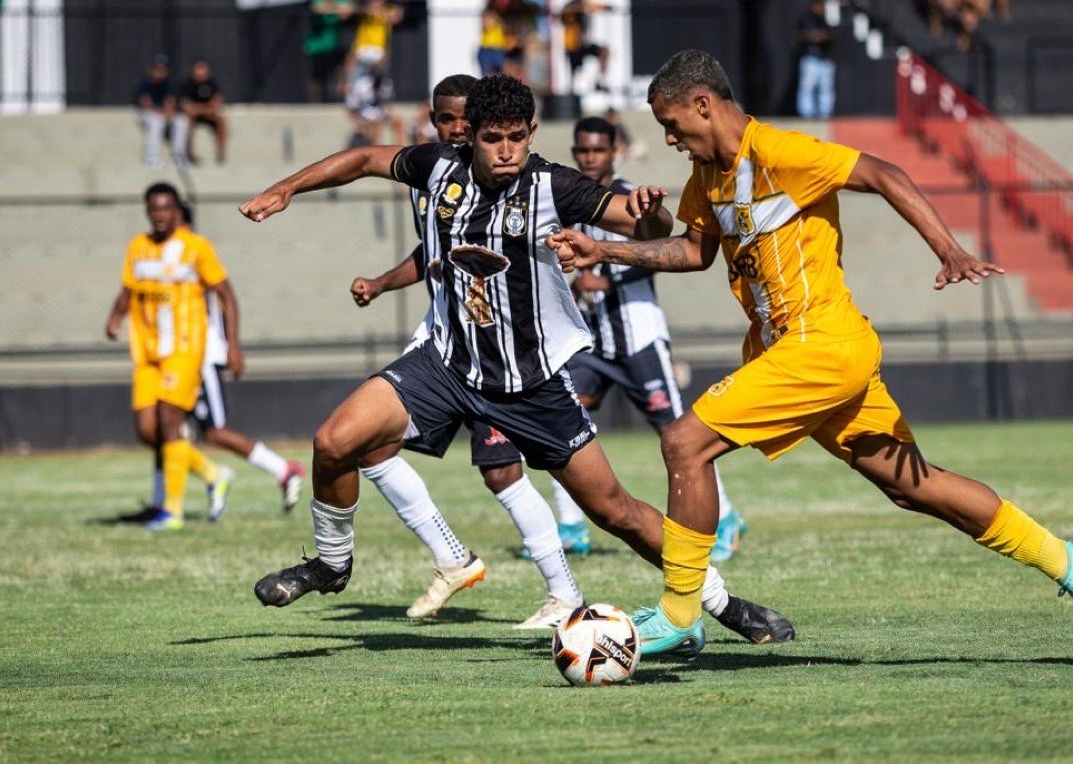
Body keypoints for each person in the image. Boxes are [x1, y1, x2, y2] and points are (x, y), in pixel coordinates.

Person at [547, 50, 1073, 657]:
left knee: (685, 442)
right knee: (913, 486)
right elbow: (691, 252)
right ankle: (1071, 559)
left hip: (820, 343)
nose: (668, 137)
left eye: (672, 122)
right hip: (808, 352)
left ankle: (682, 612)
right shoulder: (707, 177)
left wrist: (948, 249)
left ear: (703, 105)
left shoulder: (784, 153)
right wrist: (604, 251)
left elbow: (887, 174)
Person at [238, 74, 794, 649]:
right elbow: (360, 159)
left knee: (617, 512)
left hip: (530, 383)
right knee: (333, 441)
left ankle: (724, 603)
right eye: (492, 138)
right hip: (446, 366)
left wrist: (651, 214)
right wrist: (287, 188)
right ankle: (331, 564)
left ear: (531, 134)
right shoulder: (436, 168)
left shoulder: (555, 186)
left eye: (517, 137)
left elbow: (640, 224)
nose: (507, 151)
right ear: (469, 137)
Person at [348, 74, 585, 628]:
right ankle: (452, 556)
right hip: (445, 340)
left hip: (505, 346)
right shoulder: (432, 171)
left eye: (463, 121)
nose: (456, 130)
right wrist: (384, 282)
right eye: (446, 120)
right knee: (368, 445)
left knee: (504, 472)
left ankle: (565, 592)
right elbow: (435, 250)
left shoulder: (512, 177)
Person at [553, 116, 747, 561]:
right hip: (588, 343)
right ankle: (569, 527)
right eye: (582, 150)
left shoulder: (629, 199)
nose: (590, 158)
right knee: (562, 426)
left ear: (614, 152)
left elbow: (662, 250)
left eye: (598, 150)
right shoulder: (564, 201)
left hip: (638, 338)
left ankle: (727, 517)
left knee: (680, 432)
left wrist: (604, 275)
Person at [149, 204, 306, 519]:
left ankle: (282, 469)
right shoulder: (165, 260)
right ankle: (162, 500)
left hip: (200, 356)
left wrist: (231, 345)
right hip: (172, 356)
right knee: (162, 428)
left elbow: (225, 298)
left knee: (213, 431)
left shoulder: (196, 256)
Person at [104, 183, 236, 530]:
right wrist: (116, 316)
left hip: (184, 348)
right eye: (154, 209)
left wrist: (234, 345)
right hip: (146, 351)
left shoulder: (196, 247)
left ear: (177, 210)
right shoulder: (139, 246)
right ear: (148, 211)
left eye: (166, 208)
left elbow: (226, 294)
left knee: (169, 423)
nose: (160, 215)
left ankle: (172, 512)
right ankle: (212, 473)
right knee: (148, 431)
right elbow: (129, 288)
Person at [133, 54, 188, 168]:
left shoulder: (170, 83)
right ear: (152, 68)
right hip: (145, 114)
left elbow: (171, 101)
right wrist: (162, 111)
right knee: (156, 120)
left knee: (181, 120)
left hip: (162, 113)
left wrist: (168, 112)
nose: (160, 71)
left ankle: (178, 157)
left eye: (163, 68)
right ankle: (151, 158)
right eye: (158, 68)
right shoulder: (145, 82)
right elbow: (145, 103)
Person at [304, 0, 355, 103]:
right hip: (318, 46)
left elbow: (350, 9)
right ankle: (313, 101)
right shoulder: (318, 0)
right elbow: (318, 9)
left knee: (347, 60)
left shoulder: (341, 0)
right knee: (318, 76)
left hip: (333, 45)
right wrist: (336, 8)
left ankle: (342, 88)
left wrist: (337, 9)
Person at [560, 0, 611, 94]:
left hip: (585, 43)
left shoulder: (587, 4)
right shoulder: (571, 5)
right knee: (573, 68)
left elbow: (597, 6)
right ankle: (571, 91)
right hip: (573, 45)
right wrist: (578, 8)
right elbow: (563, 15)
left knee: (604, 51)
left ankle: (599, 81)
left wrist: (607, 7)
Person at [177, 58, 229, 165]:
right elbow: (187, 107)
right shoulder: (187, 84)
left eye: (203, 69)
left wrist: (199, 109)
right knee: (186, 120)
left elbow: (216, 104)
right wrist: (205, 108)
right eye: (198, 69)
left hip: (208, 115)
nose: (201, 72)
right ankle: (189, 154)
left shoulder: (212, 84)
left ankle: (221, 154)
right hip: (193, 117)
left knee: (221, 119)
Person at [346, 0, 403, 83]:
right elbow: (352, 9)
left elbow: (398, 15)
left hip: (378, 48)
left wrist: (383, 13)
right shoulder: (365, 12)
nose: (376, 4)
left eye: (379, 1)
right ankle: (346, 84)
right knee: (351, 60)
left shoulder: (387, 13)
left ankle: (376, 83)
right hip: (362, 46)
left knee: (378, 68)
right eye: (374, 1)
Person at [345, 59, 404, 147]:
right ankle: (377, 151)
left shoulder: (386, 83)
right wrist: (359, 121)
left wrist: (387, 114)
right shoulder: (361, 84)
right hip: (365, 115)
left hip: (380, 114)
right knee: (375, 124)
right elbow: (351, 107)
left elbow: (386, 103)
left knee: (399, 122)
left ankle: (399, 150)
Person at [796, 0, 836, 119]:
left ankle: (825, 113)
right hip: (810, 59)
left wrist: (820, 36)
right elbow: (799, 36)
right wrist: (814, 36)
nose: (820, 9)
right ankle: (806, 114)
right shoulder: (805, 20)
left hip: (825, 59)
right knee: (807, 87)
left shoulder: (826, 20)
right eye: (817, 6)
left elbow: (831, 35)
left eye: (821, 6)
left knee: (826, 87)